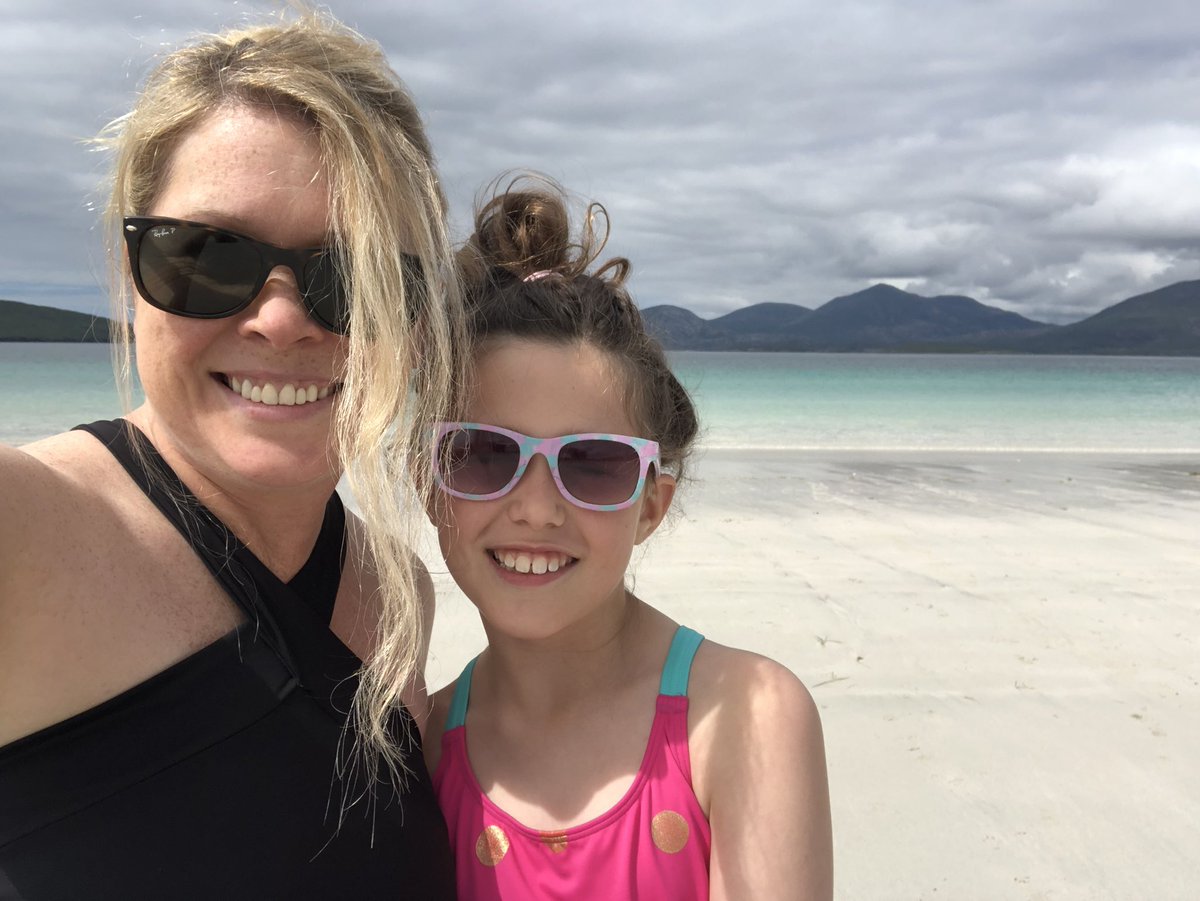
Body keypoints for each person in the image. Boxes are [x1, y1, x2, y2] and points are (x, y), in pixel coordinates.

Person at [0, 13, 461, 899]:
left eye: (349, 275)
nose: (282, 320)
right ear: (129, 272)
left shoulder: (393, 589)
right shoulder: (32, 533)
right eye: (209, 256)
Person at [423, 178, 834, 900]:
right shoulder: (422, 745)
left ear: (652, 506)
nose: (537, 508)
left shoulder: (745, 716)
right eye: (486, 452)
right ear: (430, 484)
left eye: (593, 464)